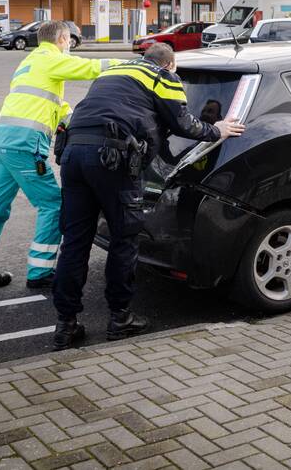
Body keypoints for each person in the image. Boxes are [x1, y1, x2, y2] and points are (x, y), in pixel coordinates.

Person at [52, 42, 245, 350]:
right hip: (112, 160)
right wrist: (217, 130)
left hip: (74, 153)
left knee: (74, 242)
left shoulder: (113, 72)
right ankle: (120, 319)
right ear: (169, 64)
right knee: (124, 239)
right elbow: (182, 122)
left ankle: (65, 324)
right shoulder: (161, 75)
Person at [0, 21, 121, 292]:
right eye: (69, 40)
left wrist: (72, 119)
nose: (70, 45)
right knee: (53, 204)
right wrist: (133, 64)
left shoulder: (30, 62)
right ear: (62, 39)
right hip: (25, 144)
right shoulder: (51, 58)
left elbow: (51, 103)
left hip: (3, 140)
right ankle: (40, 271)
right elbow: (91, 68)